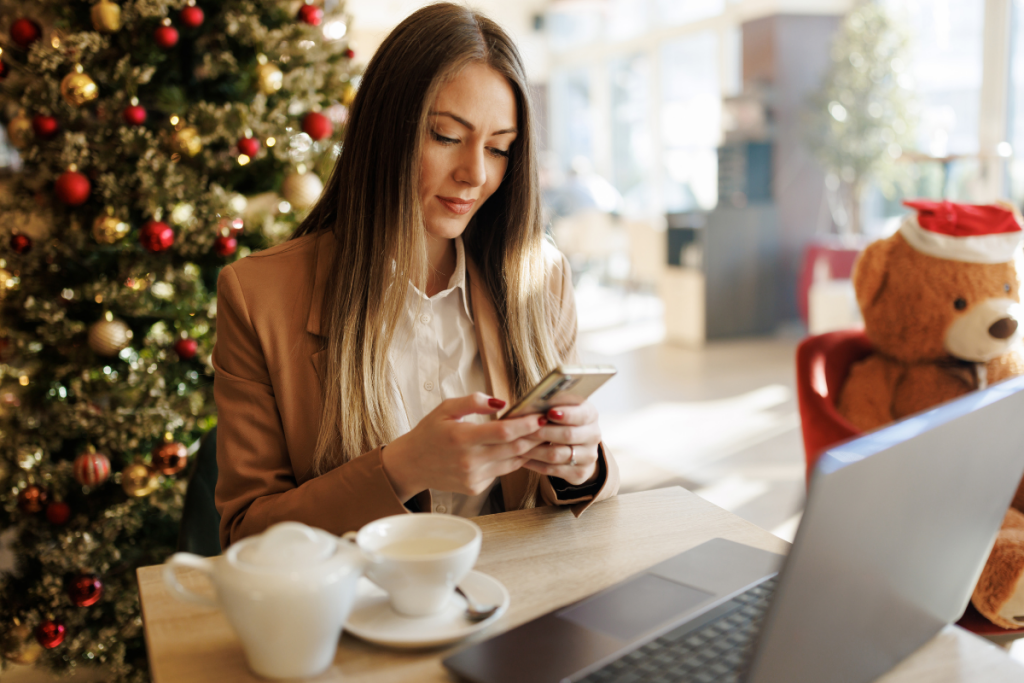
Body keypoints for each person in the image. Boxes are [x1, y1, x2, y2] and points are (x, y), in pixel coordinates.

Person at [213, 3, 619, 548]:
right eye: (447, 136)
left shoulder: (540, 279)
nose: (476, 173)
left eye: (499, 147)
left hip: (515, 603)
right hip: (366, 613)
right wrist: (401, 468)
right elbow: (247, 535)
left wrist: (581, 465)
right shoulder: (259, 297)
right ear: (386, 131)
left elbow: (572, 498)